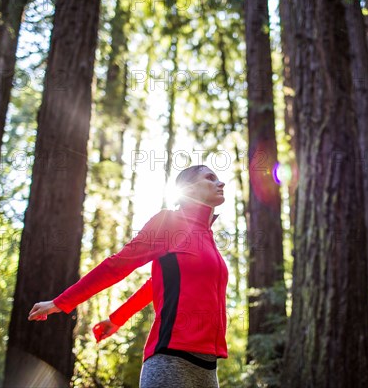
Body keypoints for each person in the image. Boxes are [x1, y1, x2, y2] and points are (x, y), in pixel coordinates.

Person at [27, 165, 228, 387]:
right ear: (188, 189)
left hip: (208, 367)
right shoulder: (168, 222)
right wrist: (60, 302)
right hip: (171, 361)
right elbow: (117, 265)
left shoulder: (207, 237)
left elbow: (156, 285)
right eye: (210, 178)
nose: (221, 183)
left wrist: (117, 318)